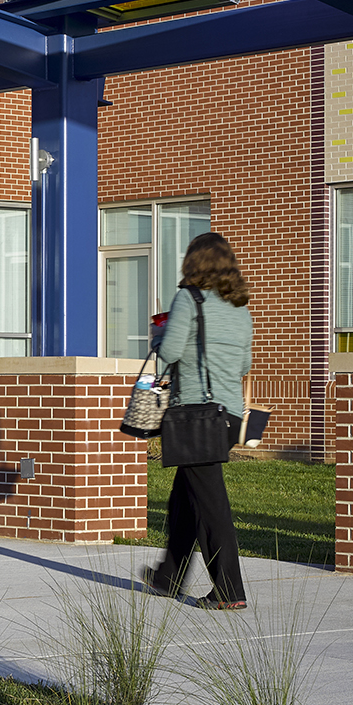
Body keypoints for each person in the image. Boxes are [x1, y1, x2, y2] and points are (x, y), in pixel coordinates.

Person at [145, 231, 254, 610]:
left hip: (195, 417)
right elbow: (244, 364)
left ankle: (229, 591)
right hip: (228, 416)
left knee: (211, 505)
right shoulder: (239, 307)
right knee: (184, 499)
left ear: (194, 262)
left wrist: (158, 337)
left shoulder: (188, 299)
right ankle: (167, 576)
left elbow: (171, 351)